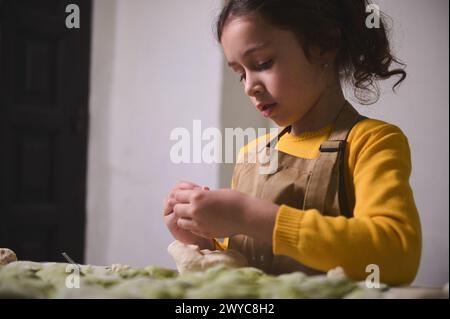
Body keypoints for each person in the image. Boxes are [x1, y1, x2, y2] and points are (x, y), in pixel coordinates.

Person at [163, 0, 421, 285]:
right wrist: (203, 243)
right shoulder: (253, 155)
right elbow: (245, 265)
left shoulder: (372, 142)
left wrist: (248, 215)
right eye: (240, 74)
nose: (250, 86)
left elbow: (397, 255)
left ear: (324, 44)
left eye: (262, 63)